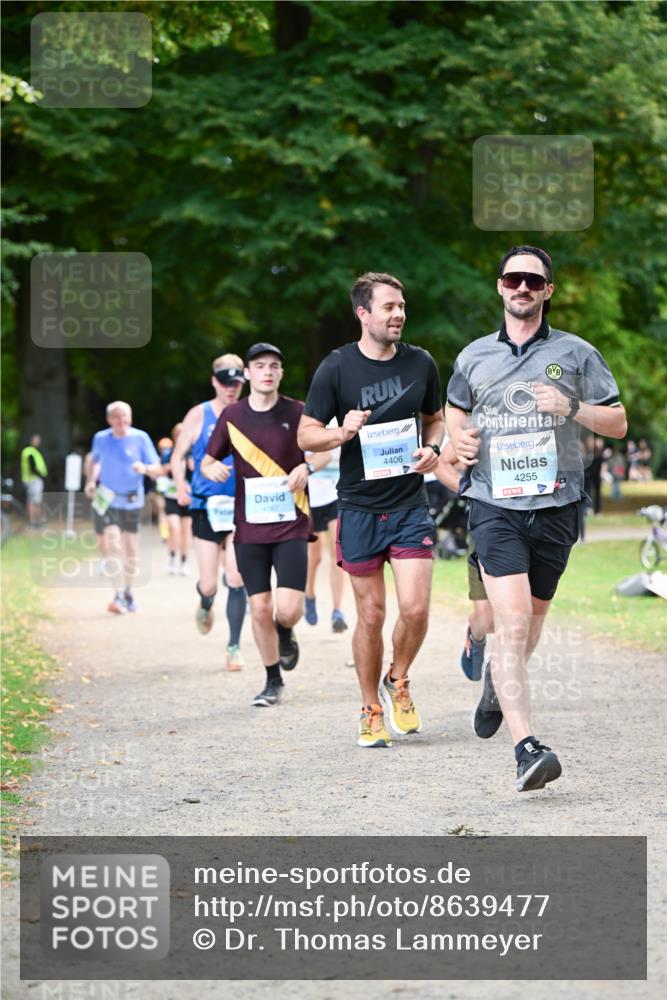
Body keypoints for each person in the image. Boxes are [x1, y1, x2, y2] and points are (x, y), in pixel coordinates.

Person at [446, 245, 627, 792]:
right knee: (514, 620)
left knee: (531, 625)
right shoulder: (474, 355)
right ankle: (527, 748)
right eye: (512, 278)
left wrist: (570, 407)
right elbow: (456, 406)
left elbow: (616, 421)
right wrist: (458, 435)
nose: (521, 287)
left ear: (547, 290)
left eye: (533, 280)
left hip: (555, 507)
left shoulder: (576, 353)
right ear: (499, 286)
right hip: (494, 504)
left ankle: (497, 687)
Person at [298, 272, 444, 748]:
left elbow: (435, 417)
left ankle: (398, 679)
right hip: (359, 507)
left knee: (417, 609)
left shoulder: (421, 363)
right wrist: (342, 432)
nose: (399, 314)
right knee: (372, 615)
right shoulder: (336, 368)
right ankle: (369, 706)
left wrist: (434, 449)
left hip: (408, 505)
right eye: (388, 307)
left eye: (401, 306)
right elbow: (306, 435)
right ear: (363, 314)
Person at [202, 343, 311, 707]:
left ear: (281, 373)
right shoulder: (232, 416)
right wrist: (211, 468)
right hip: (249, 528)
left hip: (292, 522)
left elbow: (326, 449)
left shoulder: (298, 411)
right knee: (260, 606)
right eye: (260, 366)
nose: (267, 371)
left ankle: (286, 632)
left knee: (289, 609)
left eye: (274, 366)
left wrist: (307, 466)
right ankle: (272, 680)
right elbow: (206, 461)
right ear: (247, 374)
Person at [170, 355, 248, 672]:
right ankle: (205, 601)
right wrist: (179, 485)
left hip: (242, 505)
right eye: (226, 383)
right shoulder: (198, 414)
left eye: (237, 384)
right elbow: (177, 457)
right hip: (205, 504)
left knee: (236, 575)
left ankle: (234, 646)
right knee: (209, 584)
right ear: (215, 382)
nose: (231, 390)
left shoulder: (250, 412)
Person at [84, 401, 162, 614]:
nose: (122, 421)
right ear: (109, 419)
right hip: (107, 499)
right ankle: (117, 595)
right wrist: (91, 481)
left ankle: (128, 592)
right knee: (112, 544)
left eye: (125, 416)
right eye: (117, 417)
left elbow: (157, 469)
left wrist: (144, 468)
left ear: (131, 417)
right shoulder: (101, 439)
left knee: (131, 550)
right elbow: (96, 462)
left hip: (131, 500)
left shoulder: (140, 438)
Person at [432, 443, 494, 682]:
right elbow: (443, 461)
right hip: (487, 524)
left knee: (518, 618)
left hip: (532, 527)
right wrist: (468, 488)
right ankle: (475, 636)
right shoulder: (479, 421)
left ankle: (499, 680)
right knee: (488, 619)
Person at [304, 439, 349, 633]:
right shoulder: (303, 423)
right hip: (310, 495)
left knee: (337, 552)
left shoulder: (341, 421)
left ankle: (337, 610)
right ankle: (309, 594)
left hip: (335, 494)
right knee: (315, 556)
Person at [159, 425, 192, 576]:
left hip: (188, 496)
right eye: (178, 435)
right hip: (172, 495)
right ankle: (172, 558)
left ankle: (184, 561)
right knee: (174, 528)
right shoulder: (168, 454)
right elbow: (160, 472)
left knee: (186, 531)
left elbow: (199, 473)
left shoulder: (192, 453)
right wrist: (166, 468)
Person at [21, 433, 48, 527]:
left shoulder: (30, 451)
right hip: (33, 479)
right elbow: (32, 466)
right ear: (32, 440)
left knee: (31, 500)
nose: (38, 442)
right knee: (36, 501)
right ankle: (36, 521)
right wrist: (40, 475)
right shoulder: (30, 452)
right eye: (36, 440)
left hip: (29, 479)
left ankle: (33, 522)